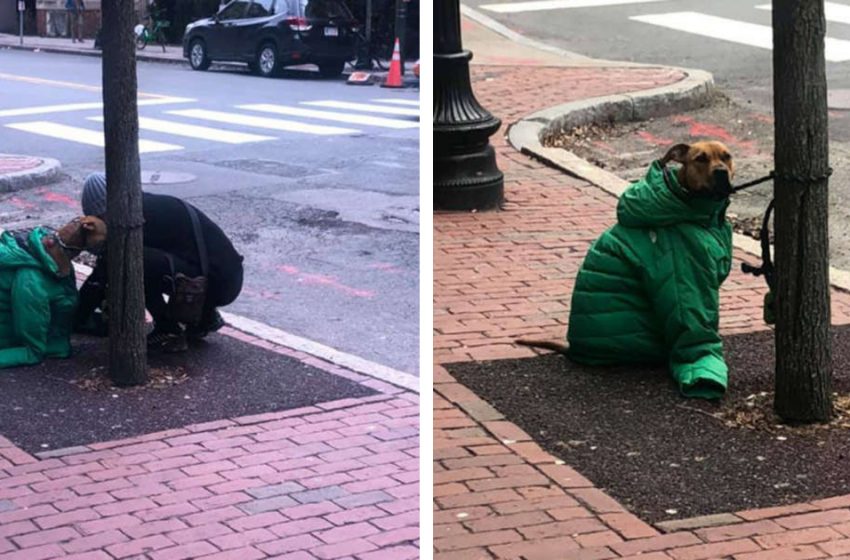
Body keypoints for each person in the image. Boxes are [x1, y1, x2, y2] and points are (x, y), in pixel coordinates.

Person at [76, 173, 245, 353]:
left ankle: (168, 329)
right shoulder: (146, 205)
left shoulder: (133, 221)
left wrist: (74, 319)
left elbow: (102, 275)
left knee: (129, 261)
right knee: (147, 260)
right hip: (227, 277)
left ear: (107, 210)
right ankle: (204, 317)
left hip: (217, 285)